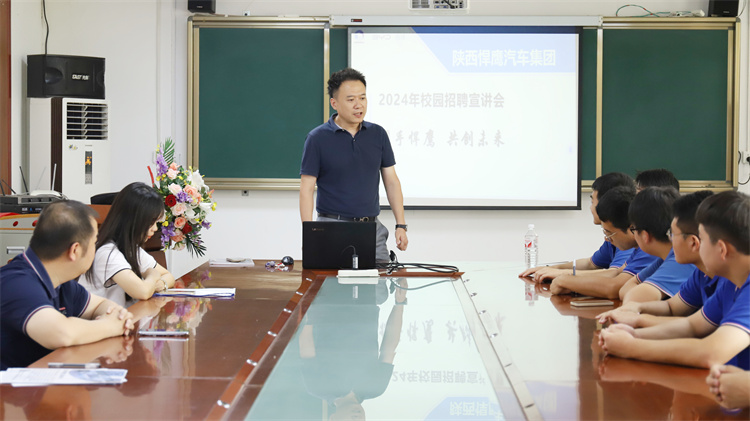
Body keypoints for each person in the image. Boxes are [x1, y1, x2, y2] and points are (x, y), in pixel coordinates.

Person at [599, 191, 750, 370]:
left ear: (722, 250)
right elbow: (692, 325)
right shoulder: (731, 281)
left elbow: (711, 352)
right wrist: (634, 333)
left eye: (702, 239)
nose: (698, 246)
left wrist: (630, 347)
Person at [0, 200, 134, 370]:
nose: (95, 249)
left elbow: (99, 305)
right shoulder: (17, 282)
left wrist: (118, 316)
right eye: (94, 242)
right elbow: (61, 333)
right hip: (11, 386)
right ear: (75, 250)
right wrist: (111, 326)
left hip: (42, 381)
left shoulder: (61, 283)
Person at [299, 68, 408, 262]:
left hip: (371, 229)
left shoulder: (378, 134)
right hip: (331, 227)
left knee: (381, 279)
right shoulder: (317, 138)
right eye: (351, 100)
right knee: (329, 281)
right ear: (334, 103)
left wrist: (401, 225)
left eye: (363, 98)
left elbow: (391, 181)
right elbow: (306, 189)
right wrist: (309, 235)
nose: (359, 105)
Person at [598, 191, 718, 327]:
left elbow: (696, 327)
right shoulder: (700, 274)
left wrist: (636, 321)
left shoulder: (728, 282)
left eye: (672, 234)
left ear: (693, 242)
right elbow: (671, 307)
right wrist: (636, 308)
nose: (670, 239)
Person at [546, 186, 660, 298]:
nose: (607, 239)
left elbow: (614, 288)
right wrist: (570, 280)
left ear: (631, 229)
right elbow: (616, 273)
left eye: (609, 233)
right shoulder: (639, 248)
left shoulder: (649, 250)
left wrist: (566, 281)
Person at [520, 172, 635, 281]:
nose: (590, 208)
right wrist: (552, 268)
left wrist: (563, 275)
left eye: (592, 202)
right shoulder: (613, 236)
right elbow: (591, 264)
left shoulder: (627, 240)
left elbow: (614, 274)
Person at [82, 182, 175, 307]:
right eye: (151, 223)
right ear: (133, 221)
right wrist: (153, 275)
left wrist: (161, 283)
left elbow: (168, 276)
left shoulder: (131, 249)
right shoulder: (106, 252)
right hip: (100, 318)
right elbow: (143, 292)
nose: (155, 228)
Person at [619, 187, 696, 303]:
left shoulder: (681, 259)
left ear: (645, 235)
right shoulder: (665, 257)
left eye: (633, 229)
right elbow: (626, 289)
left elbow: (635, 298)